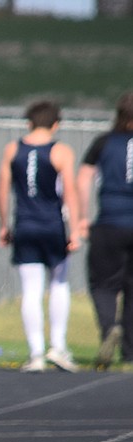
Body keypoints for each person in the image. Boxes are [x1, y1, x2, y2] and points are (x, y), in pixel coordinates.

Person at [0, 101, 82, 373]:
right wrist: (75, 228)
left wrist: (3, 225)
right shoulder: (61, 151)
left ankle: (36, 353)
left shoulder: (13, 149)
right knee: (59, 283)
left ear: (29, 123)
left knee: (31, 290)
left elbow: (2, 190)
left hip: (25, 226)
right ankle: (57, 346)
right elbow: (70, 191)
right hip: (52, 226)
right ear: (56, 124)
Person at [76, 92, 133, 369]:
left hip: (109, 222)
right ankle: (130, 350)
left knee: (103, 285)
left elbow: (84, 178)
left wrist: (82, 218)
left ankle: (110, 327)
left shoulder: (103, 143)